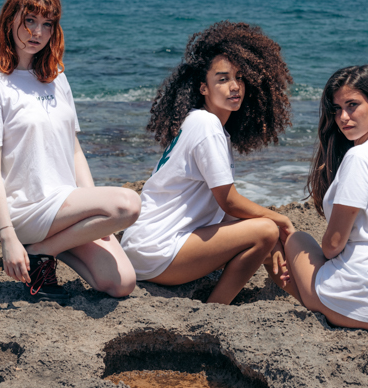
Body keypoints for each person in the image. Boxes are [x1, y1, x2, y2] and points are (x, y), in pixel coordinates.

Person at [0, 0, 138, 299]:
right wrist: (7, 236)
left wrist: (95, 212)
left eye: (47, 24)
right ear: (10, 19)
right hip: (27, 210)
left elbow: (74, 150)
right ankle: (37, 248)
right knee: (128, 204)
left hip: (64, 209)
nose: (37, 32)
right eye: (29, 20)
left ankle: (44, 251)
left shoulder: (57, 77)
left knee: (122, 283)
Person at [120, 21, 295, 304]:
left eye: (239, 78)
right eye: (222, 79)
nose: (235, 87)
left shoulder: (204, 124)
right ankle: (217, 308)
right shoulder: (206, 125)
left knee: (267, 238)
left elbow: (222, 210)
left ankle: (293, 295)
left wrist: (272, 241)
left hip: (145, 247)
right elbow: (229, 202)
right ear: (204, 87)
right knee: (265, 230)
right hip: (156, 249)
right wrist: (279, 219)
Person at [279, 65, 368, 331]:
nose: (343, 117)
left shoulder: (359, 156)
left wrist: (317, 258)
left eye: (352, 105)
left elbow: (333, 245)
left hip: (359, 305)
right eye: (337, 109)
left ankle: (317, 310)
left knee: (295, 239)